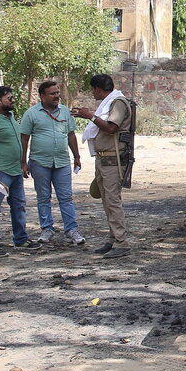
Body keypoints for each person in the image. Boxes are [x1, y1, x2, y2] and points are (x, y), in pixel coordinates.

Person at [0, 86, 42, 257]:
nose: (12, 100)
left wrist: (22, 164)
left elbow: (18, 143)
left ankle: (20, 239)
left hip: (15, 172)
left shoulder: (11, 117)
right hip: (0, 172)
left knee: (19, 206)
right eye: (9, 98)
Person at [72, 74, 131, 259]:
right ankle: (114, 238)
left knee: (113, 201)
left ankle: (121, 242)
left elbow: (111, 128)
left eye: (93, 90)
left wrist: (90, 116)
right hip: (104, 159)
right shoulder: (109, 102)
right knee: (107, 201)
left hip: (113, 160)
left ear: (98, 89)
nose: (92, 93)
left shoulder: (118, 102)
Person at [20, 81, 86, 245]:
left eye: (57, 93)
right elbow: (24, 138)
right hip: (39, 162)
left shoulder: (64, 111)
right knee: (43, 198)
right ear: (42, 96)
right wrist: (23, 162)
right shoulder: (31, 114)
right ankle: (47, 229)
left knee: (66, 197)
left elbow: (71, 135)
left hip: (62, 162)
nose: (57, 96)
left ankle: (71, 230)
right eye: (53, 93)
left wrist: (77, 156)